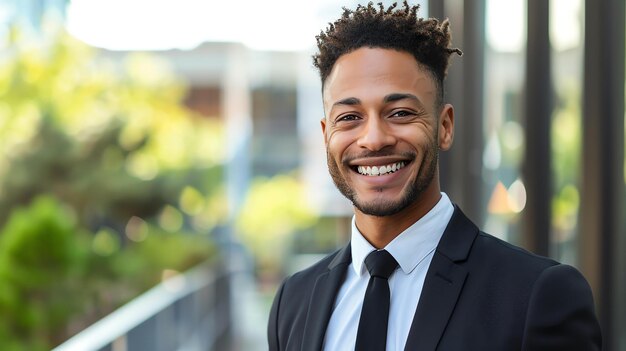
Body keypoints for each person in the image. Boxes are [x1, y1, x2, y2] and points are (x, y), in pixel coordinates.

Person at [267, 2, 602, 350]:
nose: (374, 139)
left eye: (400, 112)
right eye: (350, 117)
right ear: (326, 135)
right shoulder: (293, 302)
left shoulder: (538, 295)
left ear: (444, 127)